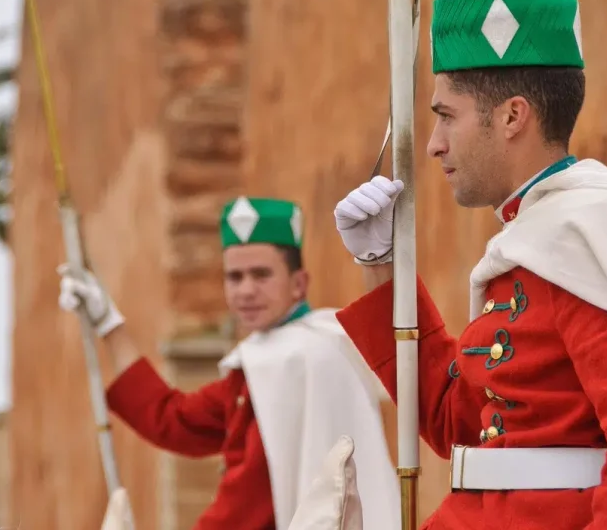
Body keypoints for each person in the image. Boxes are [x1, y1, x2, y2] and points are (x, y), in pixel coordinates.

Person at [332, 0, 607, 529]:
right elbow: (457, 420)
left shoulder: (584, 236)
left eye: (447, 116)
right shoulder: (537, 235)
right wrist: (382, 266)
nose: (434, 144)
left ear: (512, 116)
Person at [57, 196, 400, 530]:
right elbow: (174, 420)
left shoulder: (302, 357)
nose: (246, 290)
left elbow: (248, 501)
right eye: (234, 277)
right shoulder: (263, 361)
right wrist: (109, 324)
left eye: (261, 274)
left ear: (299, 284)